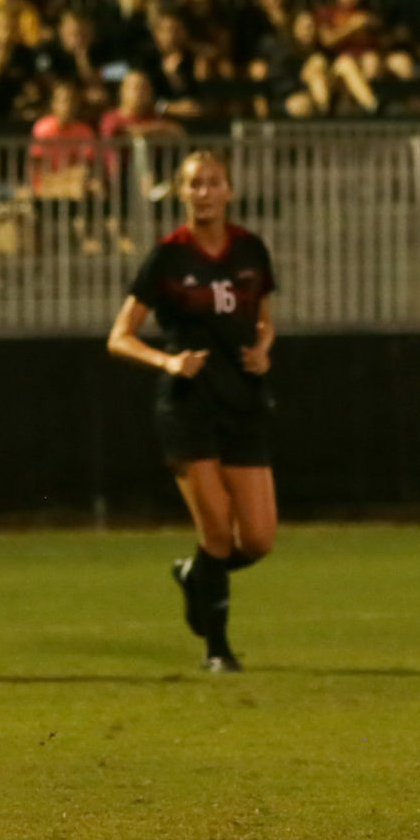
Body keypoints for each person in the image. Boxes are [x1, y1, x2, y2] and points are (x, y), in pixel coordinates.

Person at [107, 154, 276, 673]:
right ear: (182, 193)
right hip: (188, 408)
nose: (204, 192)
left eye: (213, 183)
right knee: (220, 534)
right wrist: (169, 361)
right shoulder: (168, 257)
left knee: (260, 538)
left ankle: (194, 575)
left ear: (229, 190)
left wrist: (264, 348)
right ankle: (217, 648)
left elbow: (264, 322)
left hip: (242, 401)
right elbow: (120, 337)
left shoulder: (249, 249)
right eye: (194, 184)